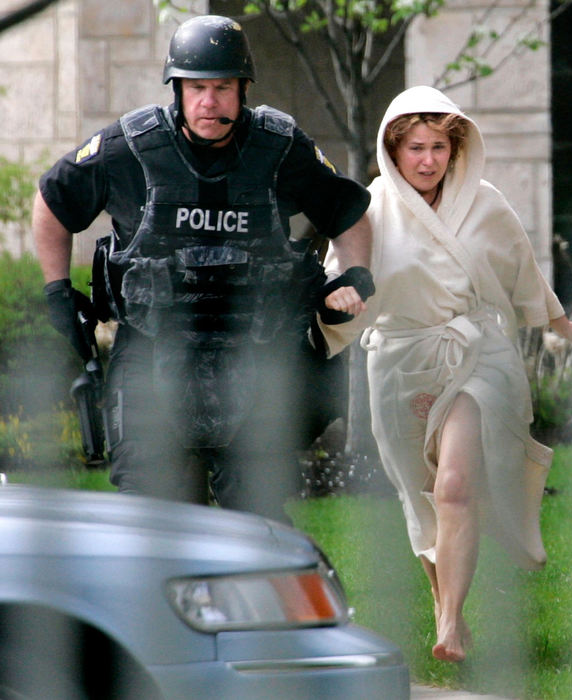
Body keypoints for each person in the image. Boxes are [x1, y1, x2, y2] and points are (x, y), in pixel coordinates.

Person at [33, 15, 374, 522]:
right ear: (178, 90)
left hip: (257, 362)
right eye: (196, 88)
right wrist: (57, 291)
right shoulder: (130, 146)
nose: (208, 102)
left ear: (242, 90)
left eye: (222, 87)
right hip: (151, 360)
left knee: (258, 524)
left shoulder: (280, 147)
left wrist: (353, 275)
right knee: (156, 524)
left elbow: (350, 213)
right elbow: (51, 202)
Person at [316, 85, 572, 662]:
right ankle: (450, 607)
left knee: (455, 486)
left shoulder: (485, 202)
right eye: (415, 147)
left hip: (477, 354)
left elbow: (523, 271)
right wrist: (340, 300)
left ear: (456, 147)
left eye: (439, 147)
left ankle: (448, 622)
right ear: (392, 153)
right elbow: (339, 279)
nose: (427, 160)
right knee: (422, 499)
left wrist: (565, 327)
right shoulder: (367, 210)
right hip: (398, 359)